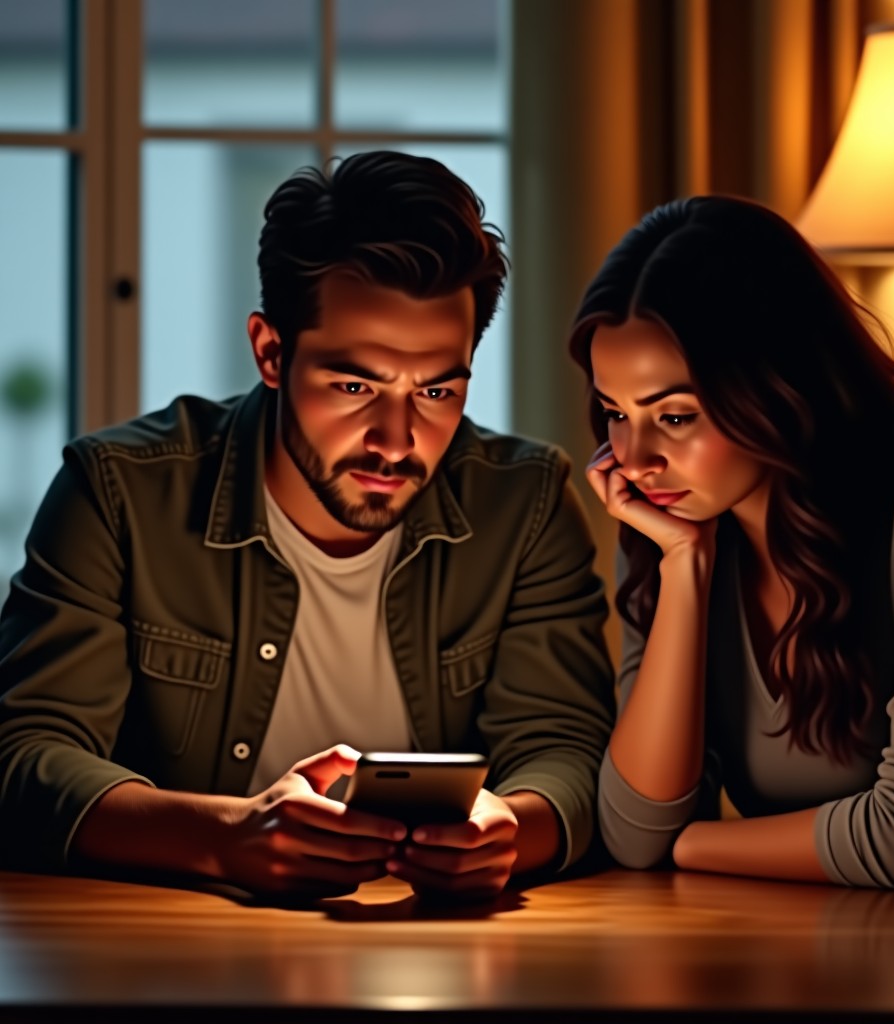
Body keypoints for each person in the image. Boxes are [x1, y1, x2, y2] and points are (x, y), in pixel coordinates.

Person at [0, 150, 614, 900]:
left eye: (436, 390)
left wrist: (513, 829)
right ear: (270, 350)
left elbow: (569, 749)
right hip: (166, 947)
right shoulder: (116, 490)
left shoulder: (526, 501)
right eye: (354, 384)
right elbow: (25, 754)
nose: (397, 437)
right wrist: (224, 841)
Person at [570, 195, 894, 974]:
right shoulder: (671, 524)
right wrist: (684, 568)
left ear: (773, 386)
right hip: (809, 955)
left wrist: (690, 844)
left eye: (674, 417)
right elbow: (636, 826)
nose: (635, 457)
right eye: (616, 412)